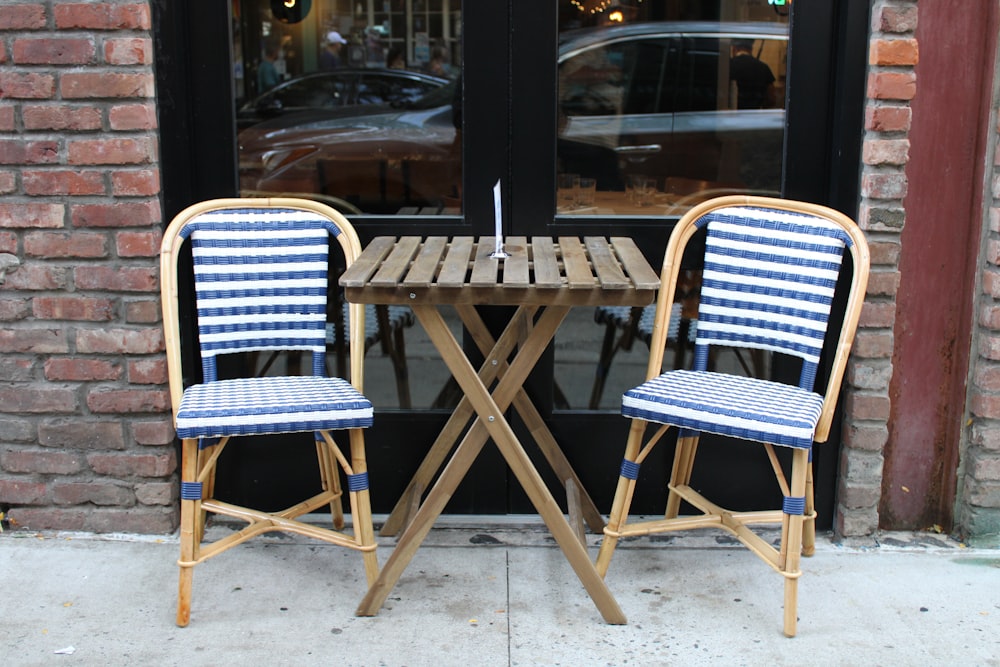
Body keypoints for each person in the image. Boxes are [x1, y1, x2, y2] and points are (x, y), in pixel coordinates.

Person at [729, 39, 776, 109]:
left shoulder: (727, 66)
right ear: (751, 49)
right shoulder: (764, 67)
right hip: (754, 116)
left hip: (731, 116)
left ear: (734, 48)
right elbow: (771, 99)